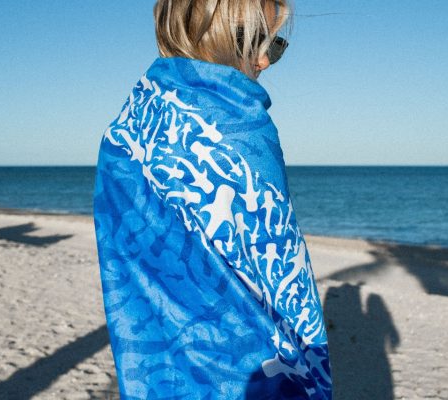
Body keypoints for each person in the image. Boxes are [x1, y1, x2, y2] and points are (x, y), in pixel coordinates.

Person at [92, 0, 333, 398]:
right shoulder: (240, 127)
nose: (265, 60)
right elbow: (286, 289)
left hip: (154, 369)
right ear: (219, 36)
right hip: (242, 379)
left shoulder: (125, 132)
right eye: (259, 42)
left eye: (275, 45)